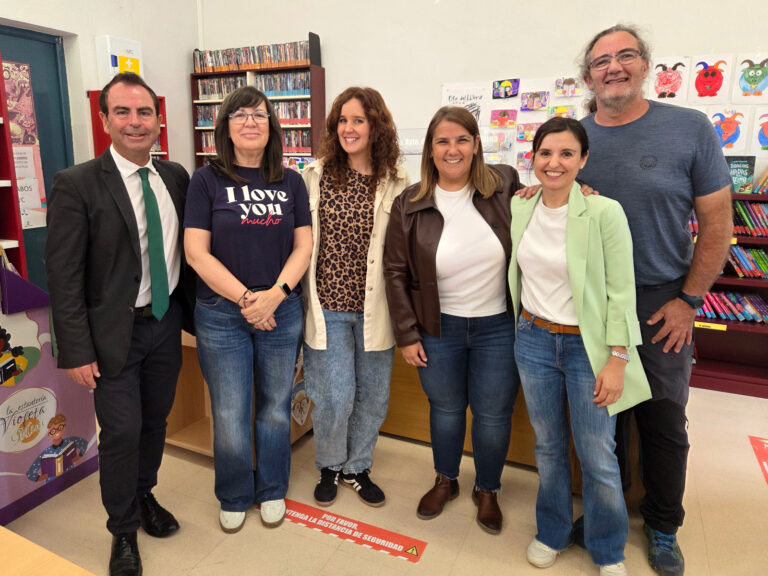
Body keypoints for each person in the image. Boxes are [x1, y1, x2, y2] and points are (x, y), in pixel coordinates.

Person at [577, 24, 733, 576]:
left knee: (663, 421)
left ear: (646, 66)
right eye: (601, 61)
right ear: (588, 76)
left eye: (626, 56)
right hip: (593, 304)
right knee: (603, 420)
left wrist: (689, 300)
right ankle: (607, 515)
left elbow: (718, 224)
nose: (613, 67)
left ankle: (663, 526)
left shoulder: (689, 129)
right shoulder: (574, 138)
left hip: (664, 302)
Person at [47, 72, 193, 576]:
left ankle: (144, 493)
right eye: (123, 112)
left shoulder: (175, 177)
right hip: (111, 336)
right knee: (122, 431)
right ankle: (123, 529)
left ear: (158, 120)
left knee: (155, 422)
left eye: (144, 112)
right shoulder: (77, 184)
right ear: (105, 119)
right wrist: (75, 349)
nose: (135, 122)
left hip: (164, 324)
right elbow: (64, 275)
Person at [509, 117, 651, 576]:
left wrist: (618, 357)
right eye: (546, 153)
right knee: (548, 447)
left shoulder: (604, 212)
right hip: (533, 339)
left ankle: (607, 548)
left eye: (567, 154)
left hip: (587, 349)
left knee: (597, 454)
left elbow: (621, 290)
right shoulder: (520, 206)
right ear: (533, 158)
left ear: (583, 159)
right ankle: (552, 532)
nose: (555, 163)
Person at [384, 106, 521, 534]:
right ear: (430, 149)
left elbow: (549, 205)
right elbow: (394, 272)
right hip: (437, 328)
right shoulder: (409, 203)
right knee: (445, 410)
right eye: (442, 141)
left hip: (498, 326)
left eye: (462, 139)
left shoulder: (504, 185)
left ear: (476, 144)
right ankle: (446, 479)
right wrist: (407, 334)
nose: (452, 149)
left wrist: (579, 190)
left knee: (493, 414)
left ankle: (487, 488)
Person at [184, 86, 312, 534]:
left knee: (275, 406)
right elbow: (196, 253)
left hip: (281, 309)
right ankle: (235, 493)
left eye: (259, 114)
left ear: (272, 125)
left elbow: (304, 246)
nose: (250, 122)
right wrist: (246, 300)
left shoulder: (291, 181)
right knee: (229, 410)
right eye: (239, 115)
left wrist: (275, 294)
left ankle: (273, 488)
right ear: (225, 126)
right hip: (222, 314)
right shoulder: (206, 181)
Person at [302, 87, 410, 508]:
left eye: (358, 120)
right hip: (326, 307)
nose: (349, 128)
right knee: (334, 396)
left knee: (372, 396)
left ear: (375, 126)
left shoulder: (397, 181)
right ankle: (330, 464)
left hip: (375, 309)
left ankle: (357, 467)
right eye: (342, 121)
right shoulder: (316, 175)